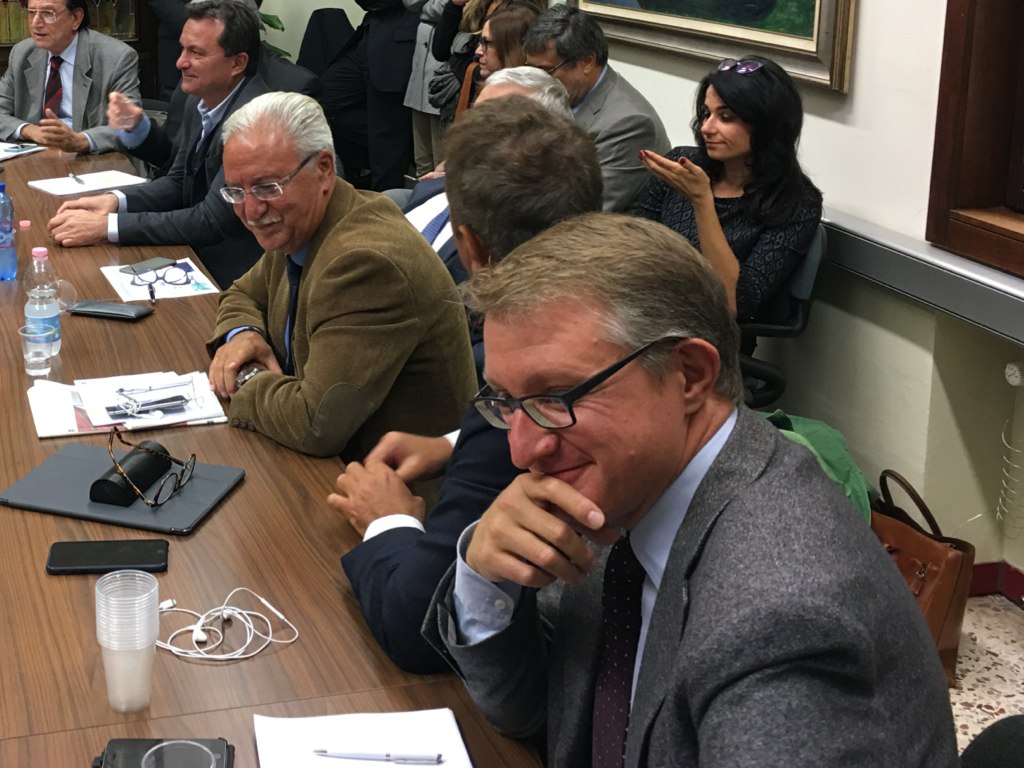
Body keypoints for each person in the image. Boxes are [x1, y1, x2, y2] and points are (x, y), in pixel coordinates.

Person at [421, 213, 960, 766]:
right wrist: (486, 580)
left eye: (556, 396)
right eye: (507, 402)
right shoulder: (629, 491)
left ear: (691, 375)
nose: (521, 451)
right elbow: (540, 716)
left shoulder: (782, 616)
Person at [330, 94, 602, 673]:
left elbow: (420, 625)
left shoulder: (525, 388)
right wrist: (451, 444)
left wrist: (388, 519)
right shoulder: (618, 314)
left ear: (469, 245)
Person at [207, 92, 476, 461]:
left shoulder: (365, 264)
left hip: (389, 483)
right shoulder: (302, 219)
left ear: (323, 169)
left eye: (268, 186)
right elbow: (241, 293)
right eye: (237, 191)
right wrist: (244, 335)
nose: (251, 210)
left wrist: (244, 376)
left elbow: (313, 423)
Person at [46, 0, 267, 289]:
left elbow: (211, 220)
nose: (180, 62)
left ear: (237, 63)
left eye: (196, 53)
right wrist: (115, 201)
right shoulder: (199, 98)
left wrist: (107, 227)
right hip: (193, 251)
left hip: (235, 274)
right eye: (183, 49)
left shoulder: (255, 120)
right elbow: (178, 181)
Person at [636, 55, 823, 320]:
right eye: (706, 114)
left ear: (766, 124)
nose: (706, 127)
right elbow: (634, 245)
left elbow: (733, 304)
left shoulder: (796, 203)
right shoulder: (683, 163)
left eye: (725, 117)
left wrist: (702, 201)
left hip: (708, 330)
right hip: (646, 309)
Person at [523, 5, 668, 213]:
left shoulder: (629, 124)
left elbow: (587, 210)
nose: (535, 81)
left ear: (587, 62)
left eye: (546, 71)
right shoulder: (560, 95)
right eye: (530, 69)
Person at [0, 0, 140, 153]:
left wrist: (81, 140)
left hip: (94, 158)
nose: (35, 23)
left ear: (75, 18)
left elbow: (130, 124)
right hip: (36, 154)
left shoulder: (116, 57)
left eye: (48, 14)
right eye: (31, 13)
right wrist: (29, 130)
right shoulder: (22, 53)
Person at [318, 0, 420, 192]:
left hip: (401, 40)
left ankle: (385, 201)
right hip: (370, 33)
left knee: (387, 132)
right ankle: (397, 149)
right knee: (326, 99)